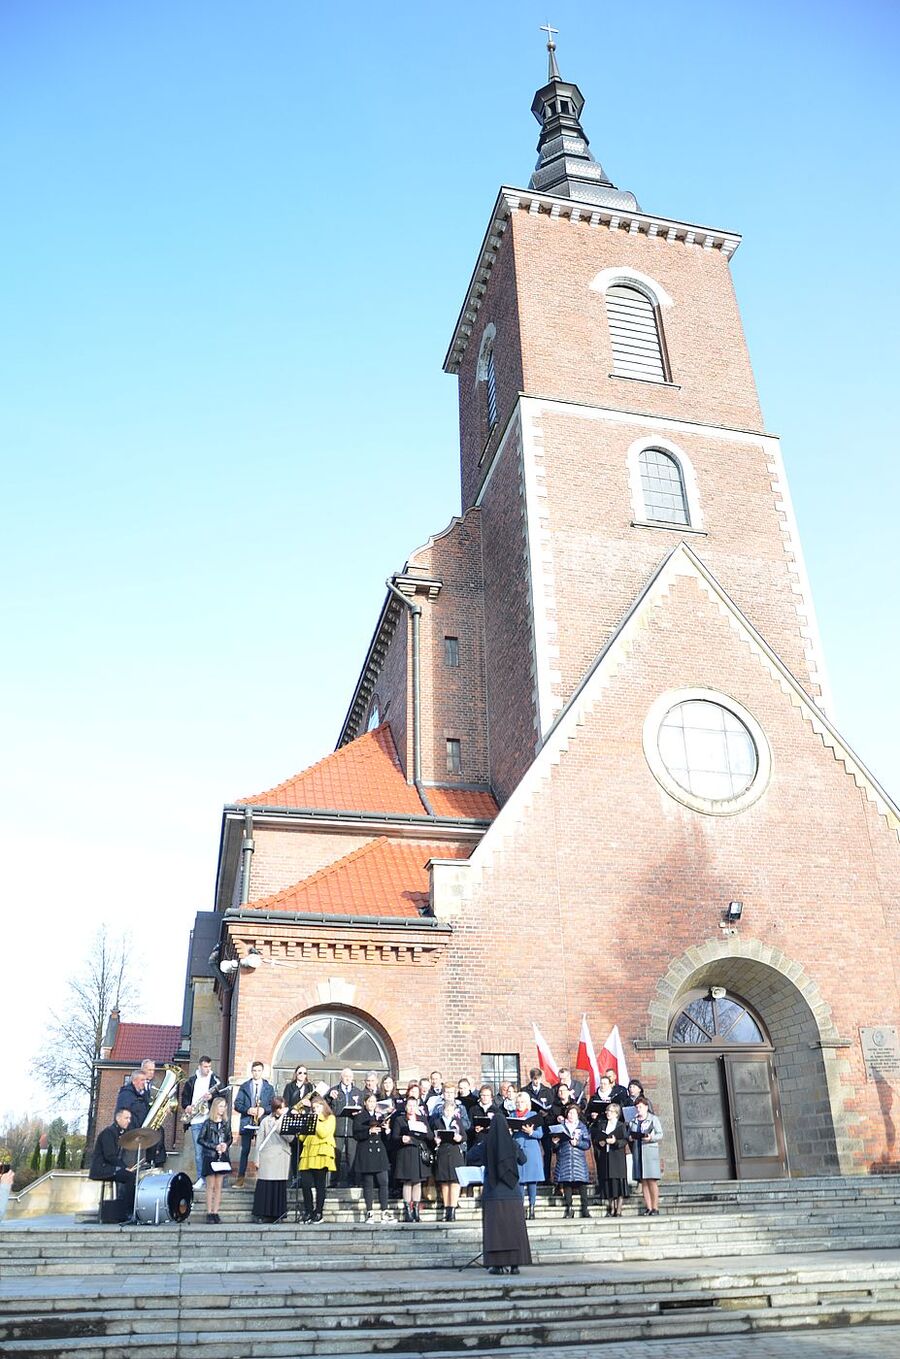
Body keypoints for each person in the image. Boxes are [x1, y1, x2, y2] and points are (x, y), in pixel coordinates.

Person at [467, 1112, 532, 1275]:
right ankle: (515, 1265)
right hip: (513, 1192)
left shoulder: (486, 1143)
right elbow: (523, 1160)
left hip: (493, 1192)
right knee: (514, 1228)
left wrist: (483, 1136)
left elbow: (470, 1156)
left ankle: (497, 1265)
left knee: (496, 1230)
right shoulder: (512, 1143)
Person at [181, 1056, 224, 1189]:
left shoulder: (215, 1080)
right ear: (199, 1066)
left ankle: (212, 1179)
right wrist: (187, 1106)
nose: (208, 1069)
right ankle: (201, 1178)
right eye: (205, 1067)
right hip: (195, 1120)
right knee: (199, 1153)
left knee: (211, 1151)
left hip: (210, 1120)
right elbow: (184, 1097)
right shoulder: (191, 1081)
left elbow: (222, 1097)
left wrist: (212, 1096)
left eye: (209, 1067)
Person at [352, 1093, 394, 1222]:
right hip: (366, 1151)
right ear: (365, 1103)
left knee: (384, 1181)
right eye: (369, 1101)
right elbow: (356, 1134)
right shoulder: (359, 1116)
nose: (371, 1104)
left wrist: (387, 1130)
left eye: (374, 1102)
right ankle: (369, 1211)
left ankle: (384, 1211)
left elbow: (387, 1139)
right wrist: (368, 1131)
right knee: (368, 1183)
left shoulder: (380, 1116)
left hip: (379, 1151)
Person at [251, 1096, 292, 1223]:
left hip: (281, 1155)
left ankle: (278, 1214)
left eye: (284, 1107)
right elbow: (260, 1140)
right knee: (266, 1185)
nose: (283, 1110)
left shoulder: (287, 1120)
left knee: (279, 1186)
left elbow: (290, 1138)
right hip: (268, 1157)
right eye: (280, 1108)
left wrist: (279, 1127)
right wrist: (256, 1159)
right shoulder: (265, 1121)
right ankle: (262, 1214)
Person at [89, 1108, 136, 1218]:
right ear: (118, 1118)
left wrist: (124, 1168)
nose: (129, 1121)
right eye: (126, 1118)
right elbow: (109, 1156)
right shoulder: (108, 1133)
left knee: (130, 1175)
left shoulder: (119, 1133)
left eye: (129, 1118)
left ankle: (126, 1209)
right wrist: (124, 1168)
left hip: (110, 1167)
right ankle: (127, 1211)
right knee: (129, 1177)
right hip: (101, 1168)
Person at [114, 1069, 166, 1169]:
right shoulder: (126, 1094)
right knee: (130, 1166)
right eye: (142, 1080)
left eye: (145, 1080)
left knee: (139, 1166)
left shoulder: (143, 1095)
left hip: (140, 1136)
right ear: (134, 1081)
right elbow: (122, 1115)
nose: (144, 1082)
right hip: (131, 1136)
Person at [234, 1061, 274, 1187]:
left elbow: (273, 1106)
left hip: (262, 1123)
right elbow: (237, 1104)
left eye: (259, 1071)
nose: (256, 1073)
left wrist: (264, 1110)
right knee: (245, 1150)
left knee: (261, 1151)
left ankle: (261, 1179)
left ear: (262, 1072)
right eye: (254, 1071)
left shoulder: (269, 1088)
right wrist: (247, 1110)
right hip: (247, 1122)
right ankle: (240, 1178)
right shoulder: (245, 1086)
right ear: (251, 1071)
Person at [298, 1093, 337, 1223]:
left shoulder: (330, 1118)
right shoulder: (311, 1118)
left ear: (324, 1106)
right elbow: (302, 1137)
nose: (315, 1110)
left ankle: (319, 1211)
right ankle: (308, 1211)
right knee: (305, 1184)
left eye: (318, 1107)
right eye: (314, 1108)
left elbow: (323, 1133)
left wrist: (316, 1119)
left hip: (321, 1153)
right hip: (308, 1154)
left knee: (320, 1185)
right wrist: (302, 1124)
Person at [394, 1096, 433, 1222]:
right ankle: (408, 1211)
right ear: (406, 1107)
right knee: (407, 1182)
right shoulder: (400, 1120)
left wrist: (424, 1131)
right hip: (405, 1153)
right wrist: (401, 1139)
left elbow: (430, 1136)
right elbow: (394, 1137)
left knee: (418, 1182)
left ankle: (416, 1211)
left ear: (417, 1107)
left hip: (418, 1152)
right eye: (409, 1106)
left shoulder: (422, 1119)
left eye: (413, 1106)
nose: (411, 1108)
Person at [430, 1093, 468, 1221]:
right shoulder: (437, 1122)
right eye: (446, 1110)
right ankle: (447, 1210)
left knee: (455, 1182)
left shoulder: (457, 1122)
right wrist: (435, 1140)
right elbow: (433, 1137)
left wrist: (459, 1138)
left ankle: (453, 1210)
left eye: (451, 1110)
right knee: (445, 1182)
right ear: (443, 1110)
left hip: (455, 1153)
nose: (448, 1112)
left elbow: (464, 1136)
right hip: (442, 1153)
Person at [552, 1104, 592, 1218]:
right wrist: (555, 1143)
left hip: (578, 1158)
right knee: (567, 1183)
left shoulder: (582, 1127)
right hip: (565, 1157)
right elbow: (555, 1148)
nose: (571, 1115)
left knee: (582, 1183)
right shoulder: (561, 1127)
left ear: (577, 1115)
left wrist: (577, 1143)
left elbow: (587, 1144)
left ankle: (585, 1208)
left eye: (573, 1113)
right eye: (569, 1113)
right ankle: (569, 1208)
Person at [198, 1095, 233, 1224]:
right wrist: (214, 1146)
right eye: (220, 1106)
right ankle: (209, 1212)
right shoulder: (208, 1123)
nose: (222, 1109)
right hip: (210, 1156)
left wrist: (225, 1145)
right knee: (210, 1186)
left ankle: (215, 1212)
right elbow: (200, 1139)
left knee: (219, 1186)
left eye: (224, 1106)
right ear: (215, 1107)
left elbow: (229, 1138)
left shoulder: (226, 1123)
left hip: (222, 1156)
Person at [327, 1067, 364, 1186]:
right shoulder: (333, 1091)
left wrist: (358, 1112)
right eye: (345, 1076)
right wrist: (329, 1097)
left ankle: (352, 1182)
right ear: (341, 1077)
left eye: (350, 1077)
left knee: (351, 1157)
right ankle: (333, 1182)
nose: (348, 1079)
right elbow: (326, 1108)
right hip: (337, 1130)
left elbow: (363, 1108)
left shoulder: (358, 1092)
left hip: (352, 1130)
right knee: (336, 1156)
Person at [510, 1091, 543, 1219]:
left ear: (527, 1103)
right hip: (517, 1150)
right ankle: (520, 1208)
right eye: (517, 1102)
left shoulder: (533, 1115)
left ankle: (532, 1207)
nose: (519, 1104)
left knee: (531, 1180)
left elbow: (540, 1134)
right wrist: (510, 1132)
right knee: (519, 1180)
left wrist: (530, 1132)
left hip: (531, 1150)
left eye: (522, 1102)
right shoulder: (512, 1115)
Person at [592, 1101, 628, 1217]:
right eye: (607, 1111)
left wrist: (615, 1141)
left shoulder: (621, 1125)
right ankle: (611, 1207)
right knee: (608, 1182)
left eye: (611, 1111)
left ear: (616, 1113)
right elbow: (597, 1139)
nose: (608, 1113)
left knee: (618, 1182)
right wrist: (600, 1143)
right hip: (606, 1155)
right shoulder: (603, 1125)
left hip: (617, 1157)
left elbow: (625, 1140)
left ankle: (619, 1209)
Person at [628, 1098, 663, 1215]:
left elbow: (660, 1134)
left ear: (646, 1107)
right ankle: (648, 1207)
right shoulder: (633, 1121)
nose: (639, 1109)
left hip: (649, 1151)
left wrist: (651, 1138)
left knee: (651, 1180)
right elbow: (629, 1133)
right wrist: (630, 1137)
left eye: (641, 1107)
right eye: (637, 1107)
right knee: (643, 1180)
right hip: (638, 1150)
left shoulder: (653, 1119)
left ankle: (655, 1207)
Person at [282, 1065, 314, 1187]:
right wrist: (292, 1110)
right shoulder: (289, 1087)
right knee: (295, 1150)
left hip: (306, 1121)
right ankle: (295, 1177)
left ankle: (304, 1178)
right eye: (300, 1072)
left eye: (304, 1073)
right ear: (296, 1074)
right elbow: (285, 1103)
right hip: (293, 1120)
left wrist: (309, 1105)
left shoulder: (310, 1087)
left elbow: (316, 1103)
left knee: (305, 1150)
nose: (302, 1075)